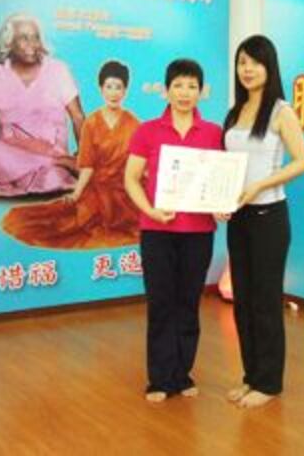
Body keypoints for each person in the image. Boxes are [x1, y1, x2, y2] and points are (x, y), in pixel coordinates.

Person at [220, 35, 304, 408]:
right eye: (242, 62)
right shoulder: (234, 112)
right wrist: (221, 199)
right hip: (238, 218)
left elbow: (302, 161)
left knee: (265, 301)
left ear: (269, 67)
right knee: (242, 301)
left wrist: (260, 184)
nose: (248, 69)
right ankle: (251, 376)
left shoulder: (280, 111)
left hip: (269, 217)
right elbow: (227, 166)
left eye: (255, 62)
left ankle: (269, 383)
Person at [124, 58, 222, 403]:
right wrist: (150, 210)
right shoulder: (148, 131)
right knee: (161, 302)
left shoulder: (213, 133)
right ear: (166, 91)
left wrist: (221, 205)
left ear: (201, 92)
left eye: (192, 86)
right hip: (157, 230)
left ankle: (182, 374)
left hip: (199, 232)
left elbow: (219, 178)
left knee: (188, 303)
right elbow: (131, 179)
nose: (185, 92)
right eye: (178, 85)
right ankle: (160, 378)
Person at [1, 60, 140, 248]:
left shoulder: (134, 124)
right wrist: (76, 193)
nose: (113, 93)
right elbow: (87, 165)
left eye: (118, 87)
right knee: (74, 223)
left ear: (125, 91)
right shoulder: (91, 123)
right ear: (101, 89)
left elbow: (139, 165)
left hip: (125, 188)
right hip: (98, 188)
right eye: (109, 86)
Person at [0, 13, 85, 198]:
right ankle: (59, 162)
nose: (32, 45)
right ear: (9, 43)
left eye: (35, 37)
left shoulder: (58, 70)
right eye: (24, 38)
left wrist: (85, 159)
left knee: (50, 181)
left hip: (51, 153)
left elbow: (78, 116)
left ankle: (50, 166)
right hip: (13, 159)